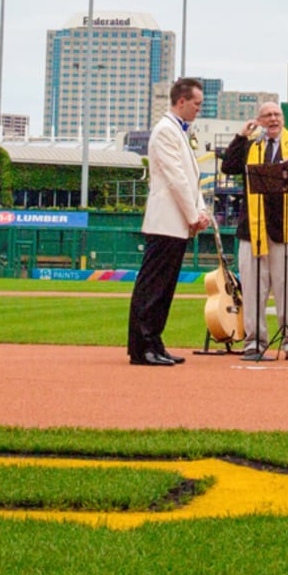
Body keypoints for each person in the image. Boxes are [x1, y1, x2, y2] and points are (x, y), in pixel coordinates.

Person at [220, 101, 288, 360]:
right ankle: (254, 341)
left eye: (277, 114)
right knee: (254, 290)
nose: (273, 119)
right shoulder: (250, 146)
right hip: (253, 230)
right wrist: (241, 136)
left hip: (287, 231)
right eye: (267, 115)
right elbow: (228, 166)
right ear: (259, 120)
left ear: (283, 118)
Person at [130, 77, 209, 366]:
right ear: (181, 101)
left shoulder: (178, 131)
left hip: (176, 223)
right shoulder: (165, 131)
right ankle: (142, 346)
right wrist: (193, 215)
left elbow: (190, 177)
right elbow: (176, 179)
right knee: (153, 286)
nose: (199, 109)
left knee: (164, 288)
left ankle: (154, 341)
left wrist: (200, 211)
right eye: (197, 103)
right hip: (166, 221)